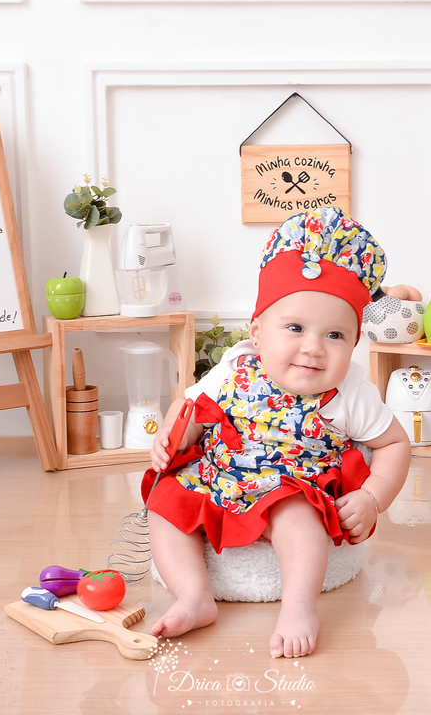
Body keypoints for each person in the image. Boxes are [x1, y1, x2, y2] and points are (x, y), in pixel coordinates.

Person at [142, 207, 411, 659]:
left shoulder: (348, 394)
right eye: (295, 328)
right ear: (256, 332)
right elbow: (190, 407)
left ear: (354, 342)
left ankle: (299, 606)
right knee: (165, 503)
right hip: (220, 476)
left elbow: (395, 443)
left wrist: (372, 497)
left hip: (293, 486)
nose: (313, 347)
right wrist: (174, 435)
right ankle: (193, 595)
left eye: (335, 335)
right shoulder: (234, 367)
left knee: (298, 520)